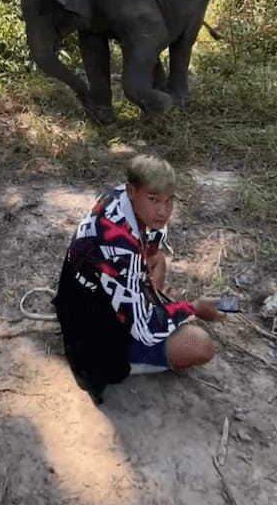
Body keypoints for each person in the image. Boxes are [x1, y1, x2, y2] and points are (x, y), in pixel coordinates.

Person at [53, 154, 224, 404]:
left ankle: (150, 308)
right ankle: (119, 364)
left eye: (169, 201)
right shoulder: (120, 247)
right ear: (133, 191)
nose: (163, 211)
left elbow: (151, 250)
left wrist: (149, 277)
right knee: (199, 345)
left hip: (90, 294)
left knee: (159, 261)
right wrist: (193, 308)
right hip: (89, 326)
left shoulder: (118, 196)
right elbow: (143, 329)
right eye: (154, 200)